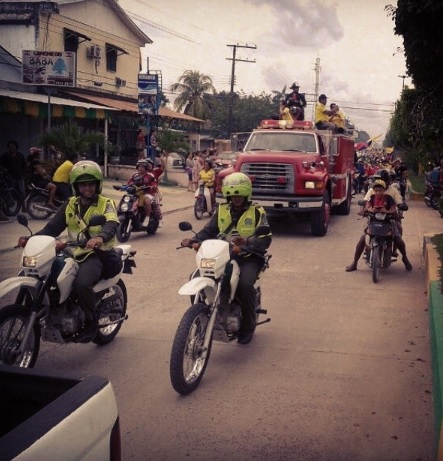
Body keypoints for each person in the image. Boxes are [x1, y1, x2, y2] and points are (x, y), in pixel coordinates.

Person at [18, 160, 119, 342]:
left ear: (97, 185)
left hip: (97, 254)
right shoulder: (70, 204)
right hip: (72, 252)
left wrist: (100, 237)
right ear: (76, 186)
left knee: (82, 284)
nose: (87, 188)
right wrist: (31, 239)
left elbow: (112, 223)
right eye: (82, 184)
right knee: (45, 275)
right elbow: (52, 228)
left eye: (90, 184)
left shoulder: (106, 203)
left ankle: (91, 322)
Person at [181, 172, 272, 344]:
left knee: (245, 286)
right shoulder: (221, 210)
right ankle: (201, 315)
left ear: (246, 194)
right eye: (232, 195)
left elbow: (265, 238)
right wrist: (195, 240)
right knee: (197, 276)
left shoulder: (257, 211)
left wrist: (247, 242)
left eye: (239, 195)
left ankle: (247, 326)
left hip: (249, 257)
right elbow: (209, 230)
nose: (236, 198)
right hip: (223, 254)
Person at [345, 179, 412, 272]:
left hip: (388, 221)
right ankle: (354, 262)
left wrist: (388, 211)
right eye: (376, 190)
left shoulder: (389, 197)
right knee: (362, 239)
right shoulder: (372, 196)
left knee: (397, 238)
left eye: (380, 190)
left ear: (384, 189)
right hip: (373, 220)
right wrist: (368, 210)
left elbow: (394, 208)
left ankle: (405, 258)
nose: (378, 192)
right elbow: (367, 204)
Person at [126, 159, 157, 227]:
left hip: (147, 193)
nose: (140, 168)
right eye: (139, 166)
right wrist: (125, 186)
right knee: (126, 200)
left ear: (146, 168)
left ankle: (147, 218)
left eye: (142, 167)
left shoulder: (150, 175)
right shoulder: (135, 175)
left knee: (147, 201)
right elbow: (129, 182)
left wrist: (152, 186)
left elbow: (154, 184)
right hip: (136, 193)